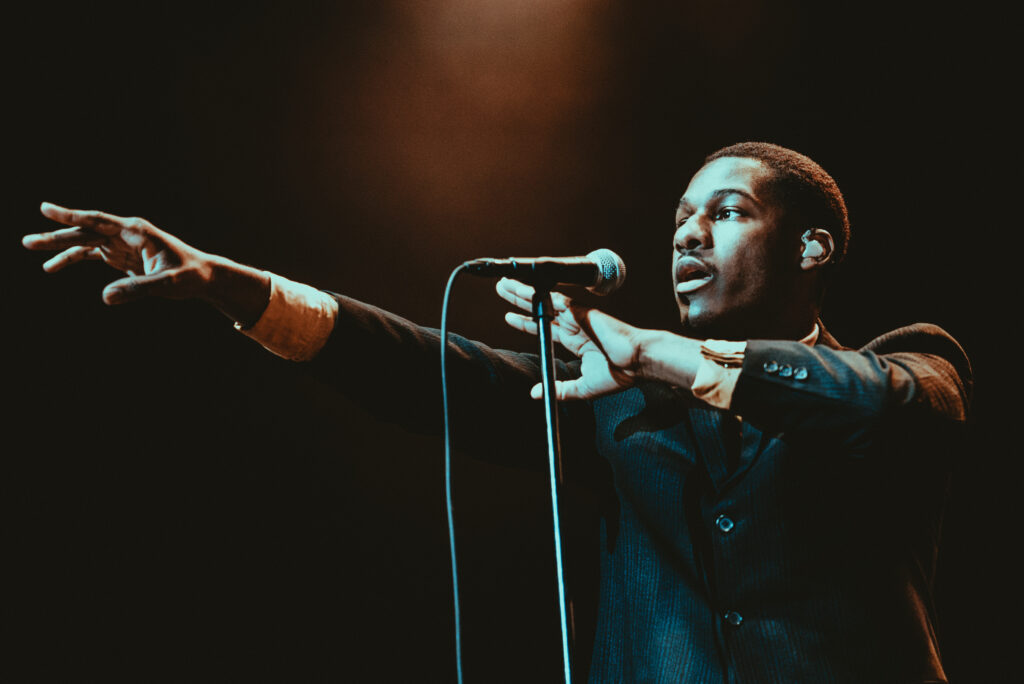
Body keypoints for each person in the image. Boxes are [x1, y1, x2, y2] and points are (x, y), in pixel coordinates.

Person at [22, 142, 971, 683]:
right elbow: (425, 370)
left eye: (724, 213)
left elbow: (879, 410)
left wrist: (652, 351)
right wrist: (235, 287)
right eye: (680, 215)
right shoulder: (616, 402)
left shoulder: (905, 366)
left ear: (811, 247)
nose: (687, 231)